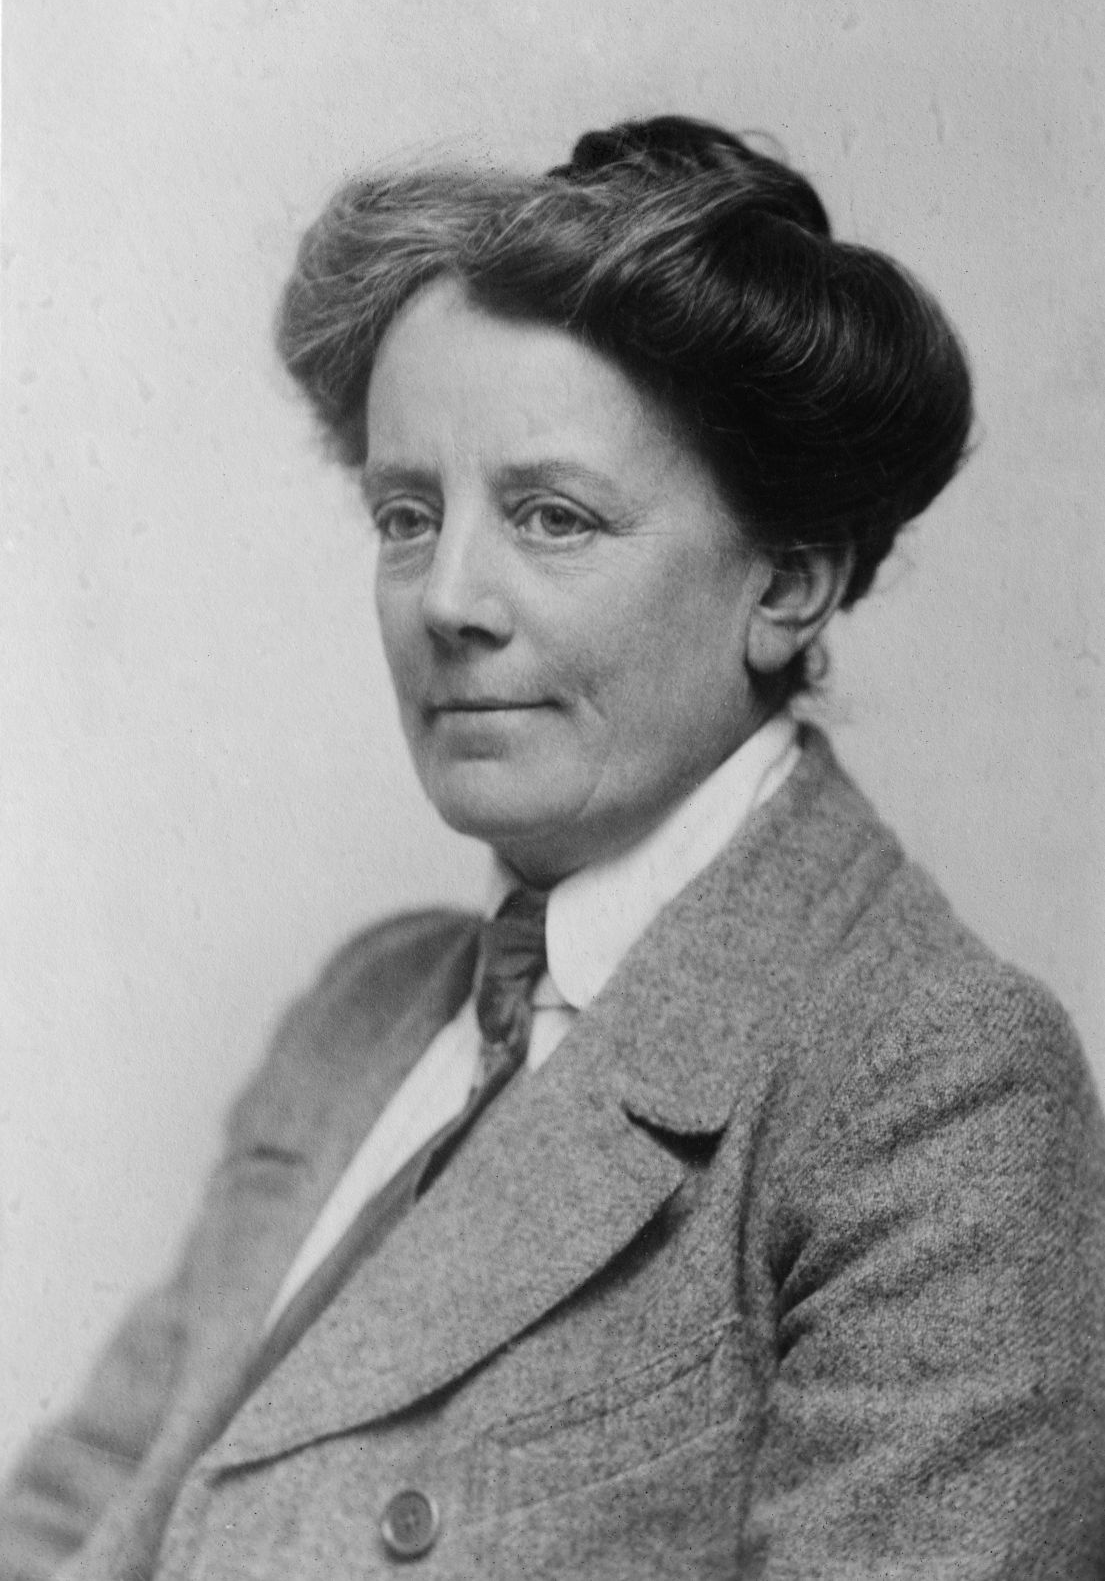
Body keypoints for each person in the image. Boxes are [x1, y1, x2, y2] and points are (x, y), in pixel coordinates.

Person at [3, 115, 1104, 1580]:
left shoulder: (928, 1089)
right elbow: (88, 1502)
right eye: (406, 513)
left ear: (784, 582)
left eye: (552, 517)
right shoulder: (366, 1012)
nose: (446, 598)